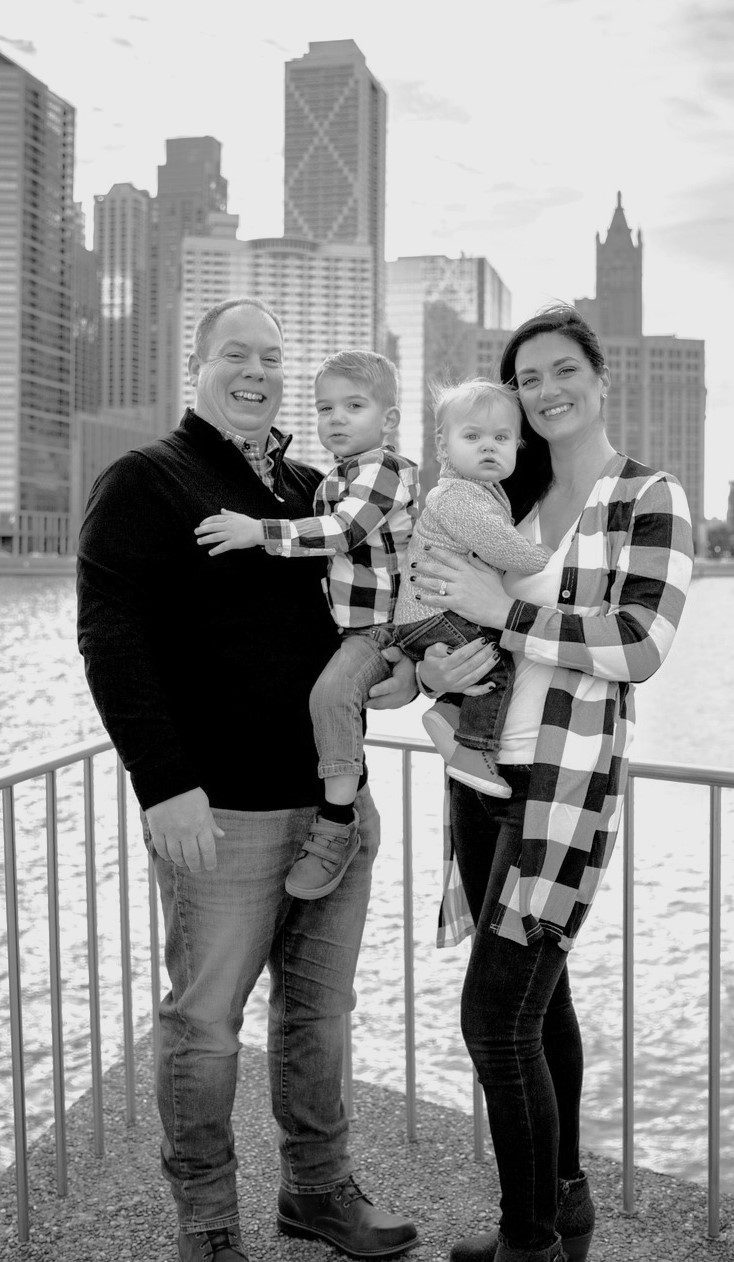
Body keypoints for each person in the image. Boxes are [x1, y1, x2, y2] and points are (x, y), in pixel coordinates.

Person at [76, 297, 420, 1262]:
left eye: (273, 357)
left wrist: (394, 676)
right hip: (217, 813)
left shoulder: (318, 488)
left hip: (328, 811)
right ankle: (209, 1222)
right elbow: (111, 640)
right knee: (207, 1028)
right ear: (198, 364)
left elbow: (358, 612)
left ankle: (316, 1192)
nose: (258, 372)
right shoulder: (147, 479)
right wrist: (164, 785)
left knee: (320, 1015)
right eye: (238, 354)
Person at [411, 306, 693, 1262]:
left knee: (494, 1017)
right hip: (480, 773)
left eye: (562, 369)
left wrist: (511, 614)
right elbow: (441, 599)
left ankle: (526, 1242)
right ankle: (564, 1203)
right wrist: (430, 678)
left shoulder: (650, 495)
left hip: (564, 787)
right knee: (544, 1001)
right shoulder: (504, 490)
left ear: (597, 377)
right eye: (527, 378)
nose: (545, 390)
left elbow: (642, 645)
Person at [195, 349, 420, 901]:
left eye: (353, 406)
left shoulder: (385, 472)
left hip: (380, 628)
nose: (335, 419)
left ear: (388, 420)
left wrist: (259, 532)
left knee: (331, 697)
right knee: (330, 697)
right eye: (324, 409)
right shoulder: (333, 477)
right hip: (353, 628)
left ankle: (337, 822)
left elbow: (342, 532)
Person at [393, 379, 552, 799]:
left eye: (501, 438)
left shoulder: (479, 491)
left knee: (484, 654)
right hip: (431, 616)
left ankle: (449, 712)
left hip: (430, 614)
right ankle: (473, 753)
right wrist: (546, 559)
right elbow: (501, 546)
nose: (488, 447)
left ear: (518, 445)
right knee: (494, 666)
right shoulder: (461, 496)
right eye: (473, 437)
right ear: (443, 447)